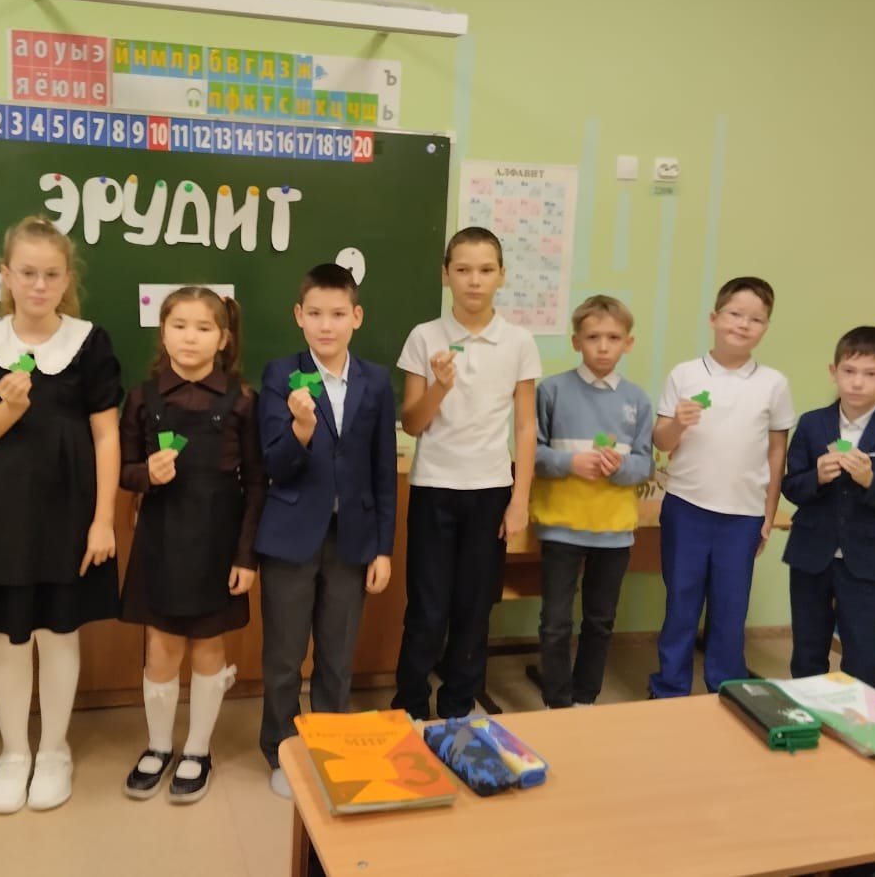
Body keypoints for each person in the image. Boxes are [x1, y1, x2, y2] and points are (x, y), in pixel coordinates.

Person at [0, 216, 122, 813]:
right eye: (27, 273)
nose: (39, 285)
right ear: (6, 275)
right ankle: (14, 752)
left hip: (69, 513)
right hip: (3, 515)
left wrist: (103, 520)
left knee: (57, 632)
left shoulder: (89, 342)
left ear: (67, 278)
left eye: (51, 274)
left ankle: (53, 751)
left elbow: (106, 435)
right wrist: (7, 409)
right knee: (8, 636)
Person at [254, 263, 397, 798]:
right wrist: (301, 428)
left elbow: (383, 470)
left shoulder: (375, 381)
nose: (326, 325)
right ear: (299, 316)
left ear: (356, 317)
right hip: (290, 537)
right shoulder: (280, 375)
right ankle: (281, 750)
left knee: (337, 655)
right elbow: (274, 463)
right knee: (284, 657)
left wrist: (383, 548)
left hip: (351, 540)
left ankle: (331, 745)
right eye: (315, 313)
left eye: (338, 314)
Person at [118, 287, 265, 804]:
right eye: (179, 325)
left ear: (223, 339)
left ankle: (198, 750)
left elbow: (257, 484)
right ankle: (158, 745)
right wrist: (146, 474)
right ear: (162, 332)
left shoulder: (242, 400)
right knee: (161, 646)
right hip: (161, 537)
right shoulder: (143, 397)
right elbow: (123, 470)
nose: (189, 337)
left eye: (203, 328)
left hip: (218, 540)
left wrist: (246, 556)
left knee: (208, 645)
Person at [391, 227, 541, 720]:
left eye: (485, 270)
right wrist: (440, 386)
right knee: (427, 608)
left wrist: (519, 500)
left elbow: (525, 426)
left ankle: (458, 707)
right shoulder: (424, 336)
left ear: (501, 276)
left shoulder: (518, 342)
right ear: (445, 275)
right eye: (462, 270)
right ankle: (411, 705)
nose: (474, 280)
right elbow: (413, 423)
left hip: (491, 490)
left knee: (474, 608)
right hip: (434, 487)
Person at [647, 276, 794, 698]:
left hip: (743, 515)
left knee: (730, 608)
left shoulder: (774, 384)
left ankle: (726, 686)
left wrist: (768, 514)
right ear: (714, 318)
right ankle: (670, 686)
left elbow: (777, 453)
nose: (743, 324)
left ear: (765, 328)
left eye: (756, 319)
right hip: (686, 508)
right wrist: (677, 423)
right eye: (734, 314)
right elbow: (661, 442)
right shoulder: (685, 374)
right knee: (681, 603)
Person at [781, 326, 875, 689]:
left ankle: (862, 719)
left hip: (867, 559)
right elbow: (791, 486)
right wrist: (816, 477)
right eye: (849, 371)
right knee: (807, 650)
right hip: (811, 554)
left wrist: (871, 480)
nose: (857, 382)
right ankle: (806, 713)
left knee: (863, 655)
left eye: (870, 373)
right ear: (834, 372)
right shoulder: (812, 423)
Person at [530, 295, 653, 708]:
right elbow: (533, 454)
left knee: (599, 622)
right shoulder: (551, 390)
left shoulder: (637, 400)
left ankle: (585, 698)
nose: (603, 346)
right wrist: (571, 462)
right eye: (593, 337)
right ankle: (556, 700)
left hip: (614, 530)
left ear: (628, 344)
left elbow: (645, 465)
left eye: (614, 338)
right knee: (555, 622)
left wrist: (619, 467)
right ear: (575, 341)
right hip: (561, 526)